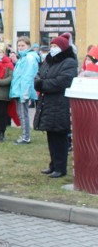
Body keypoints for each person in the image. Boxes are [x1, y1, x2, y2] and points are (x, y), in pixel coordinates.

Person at [34, 34, 77, 178]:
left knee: (59, 137)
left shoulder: (69, 62)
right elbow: (39, 75)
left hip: (60, 104)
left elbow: (63, 81)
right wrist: (40, 82)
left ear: (63, 48)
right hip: (47, 103)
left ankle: (60, 167)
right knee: (51, 135)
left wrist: (43, 84)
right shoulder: (49, 61)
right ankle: (53, 165)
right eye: (51, 46)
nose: (52, 49)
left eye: (55, 46)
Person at [9, 36, 40, 145]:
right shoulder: (23, 57)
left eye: (23, 45)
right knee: (21, 114)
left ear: (28, 46)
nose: (20, 47)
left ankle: (26, 137)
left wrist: (25, 92)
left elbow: (27, 76)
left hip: (23, 90)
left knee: (23, 114)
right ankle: (24, 135)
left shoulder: (29, 58)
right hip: (19, 90)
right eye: (19, 45)